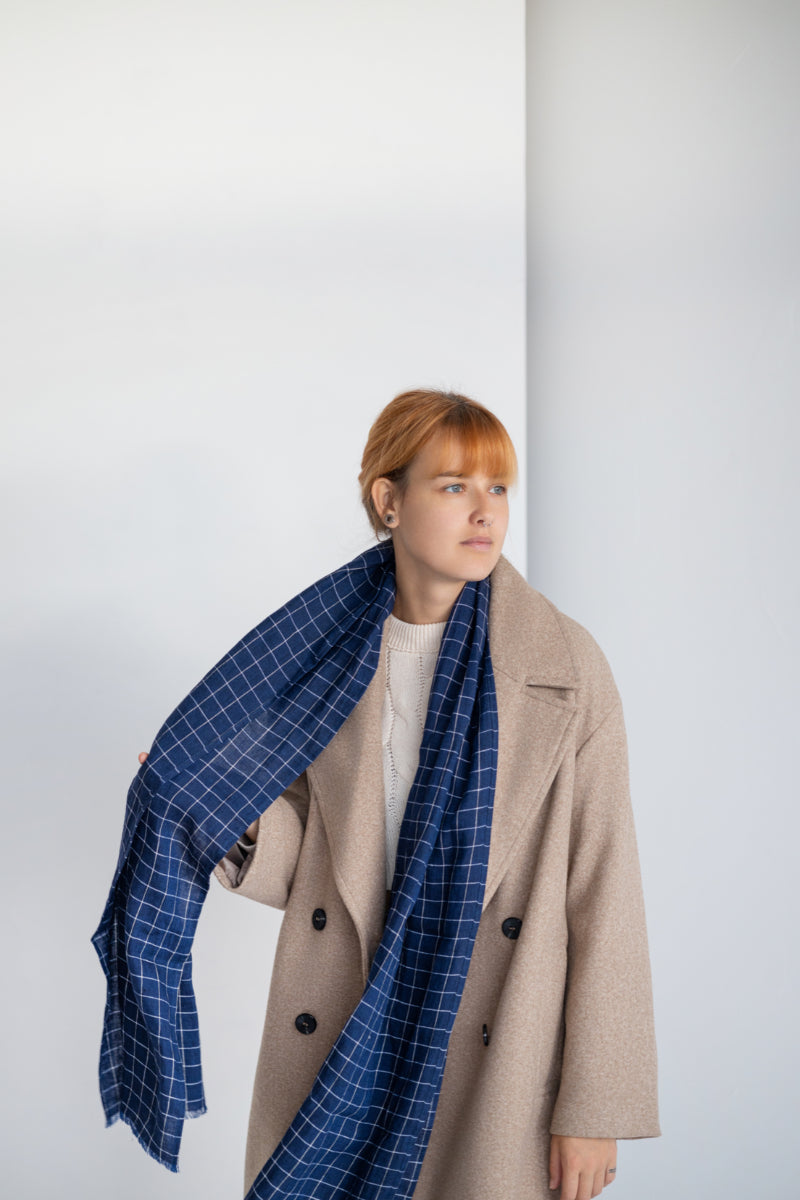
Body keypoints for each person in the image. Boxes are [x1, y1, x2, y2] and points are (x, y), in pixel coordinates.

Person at [130, 389, 659, 1200]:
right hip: (351, 1015)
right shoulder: (326, 654)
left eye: (498, 489)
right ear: (389, 499)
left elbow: (605, 887)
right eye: (454, 486)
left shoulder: (566, 666)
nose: (485, 512)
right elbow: (318, 858)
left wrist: (593, 1107)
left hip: (497, 1040)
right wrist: (223, 816)